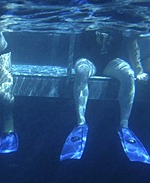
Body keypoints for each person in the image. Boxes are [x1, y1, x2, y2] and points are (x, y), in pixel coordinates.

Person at [60, 29, 150, 164]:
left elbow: (132, 40)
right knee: (81, 70)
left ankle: (124, 124)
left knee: (128, 75)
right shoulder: (87, 12)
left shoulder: (121, 18)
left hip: (112, 61)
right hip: (88, 59)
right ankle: (81, 122)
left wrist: (139, 71)